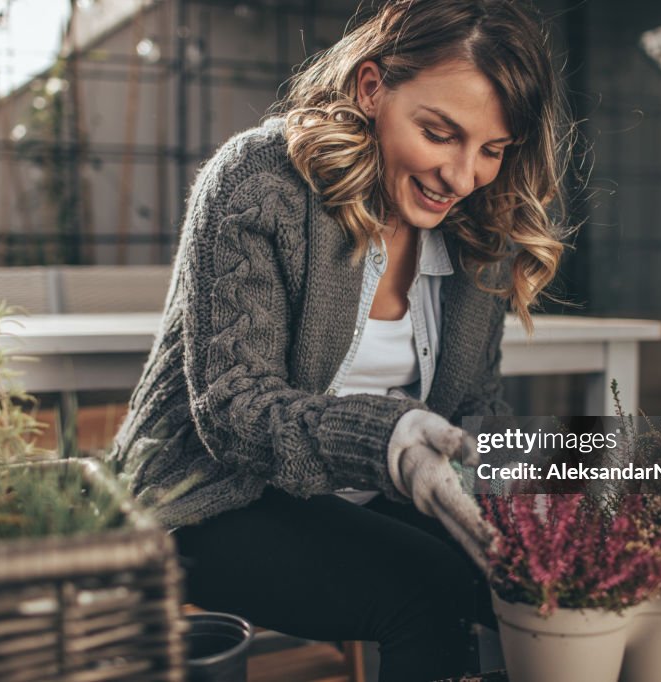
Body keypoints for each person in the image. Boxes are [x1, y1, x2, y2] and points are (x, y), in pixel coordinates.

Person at [108, 1, 570, 679]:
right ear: (372, 88)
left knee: (536, 574)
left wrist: (549, 489)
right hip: (206, 495)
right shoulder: (260, 182)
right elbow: (236, 411)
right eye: (440, 133)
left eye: (493, 150)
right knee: (427, 586)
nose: (464, 176)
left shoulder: (478, 231)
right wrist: (390, 441)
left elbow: (472, 408)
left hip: (360, 494)